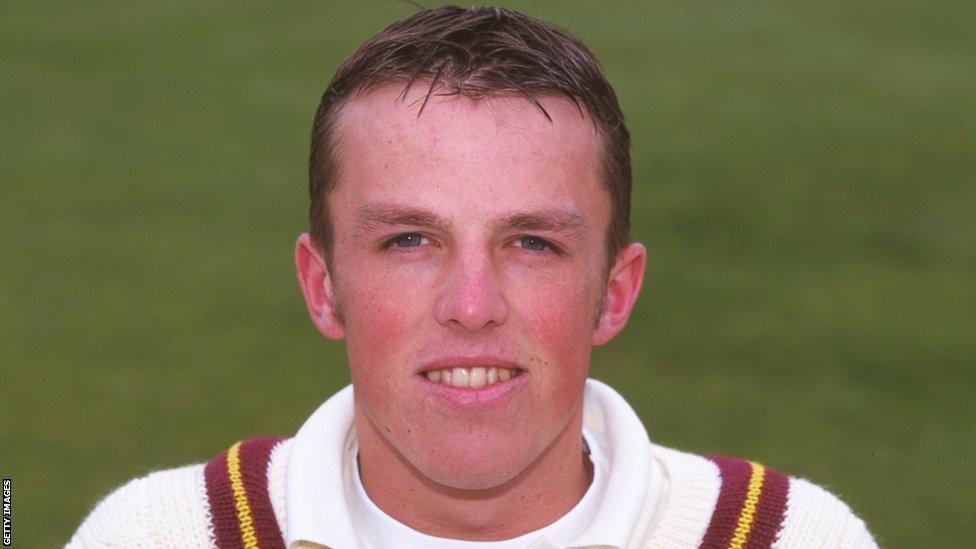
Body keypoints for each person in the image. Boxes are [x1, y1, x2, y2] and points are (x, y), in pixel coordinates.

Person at [68, 5, 877, 548]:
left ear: (615, 291)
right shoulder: (155, 533)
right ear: (323, 285)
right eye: (411, 239)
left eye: (531, 243)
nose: (472, 306)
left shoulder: (792, 535)